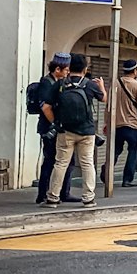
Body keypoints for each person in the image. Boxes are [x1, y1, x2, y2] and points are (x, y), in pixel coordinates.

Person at [43, 53, 105, 208]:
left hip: (65, 131)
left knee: (60, 163)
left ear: (69, 68)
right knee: (87, 163)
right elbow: (104, 99)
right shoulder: (89, 84)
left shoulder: (61, 84)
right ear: (85, 69)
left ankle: (52, 198)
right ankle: (88, 198)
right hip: (87, 131)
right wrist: (102, 87)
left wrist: (56, 123)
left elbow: (46, 107)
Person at [35, 54, 79, 205]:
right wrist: (55, 123)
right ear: (58, 69)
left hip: (57, 128)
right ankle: (45, 193)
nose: (68, 73)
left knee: (63, 161)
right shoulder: (47, 83)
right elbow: (45, 106)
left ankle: (62, 192)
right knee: (52, 160)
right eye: (66, 69)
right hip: (50, 129)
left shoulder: (59, 82)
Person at [113, 58, 137, 188]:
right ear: (135, 71)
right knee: (133, 151)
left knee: (115, 150)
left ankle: (106, 171)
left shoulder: (115, 84)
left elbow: (109, 104)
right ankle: (127, 179)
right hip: (132, 125)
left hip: (117, 124)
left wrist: (107, 122)